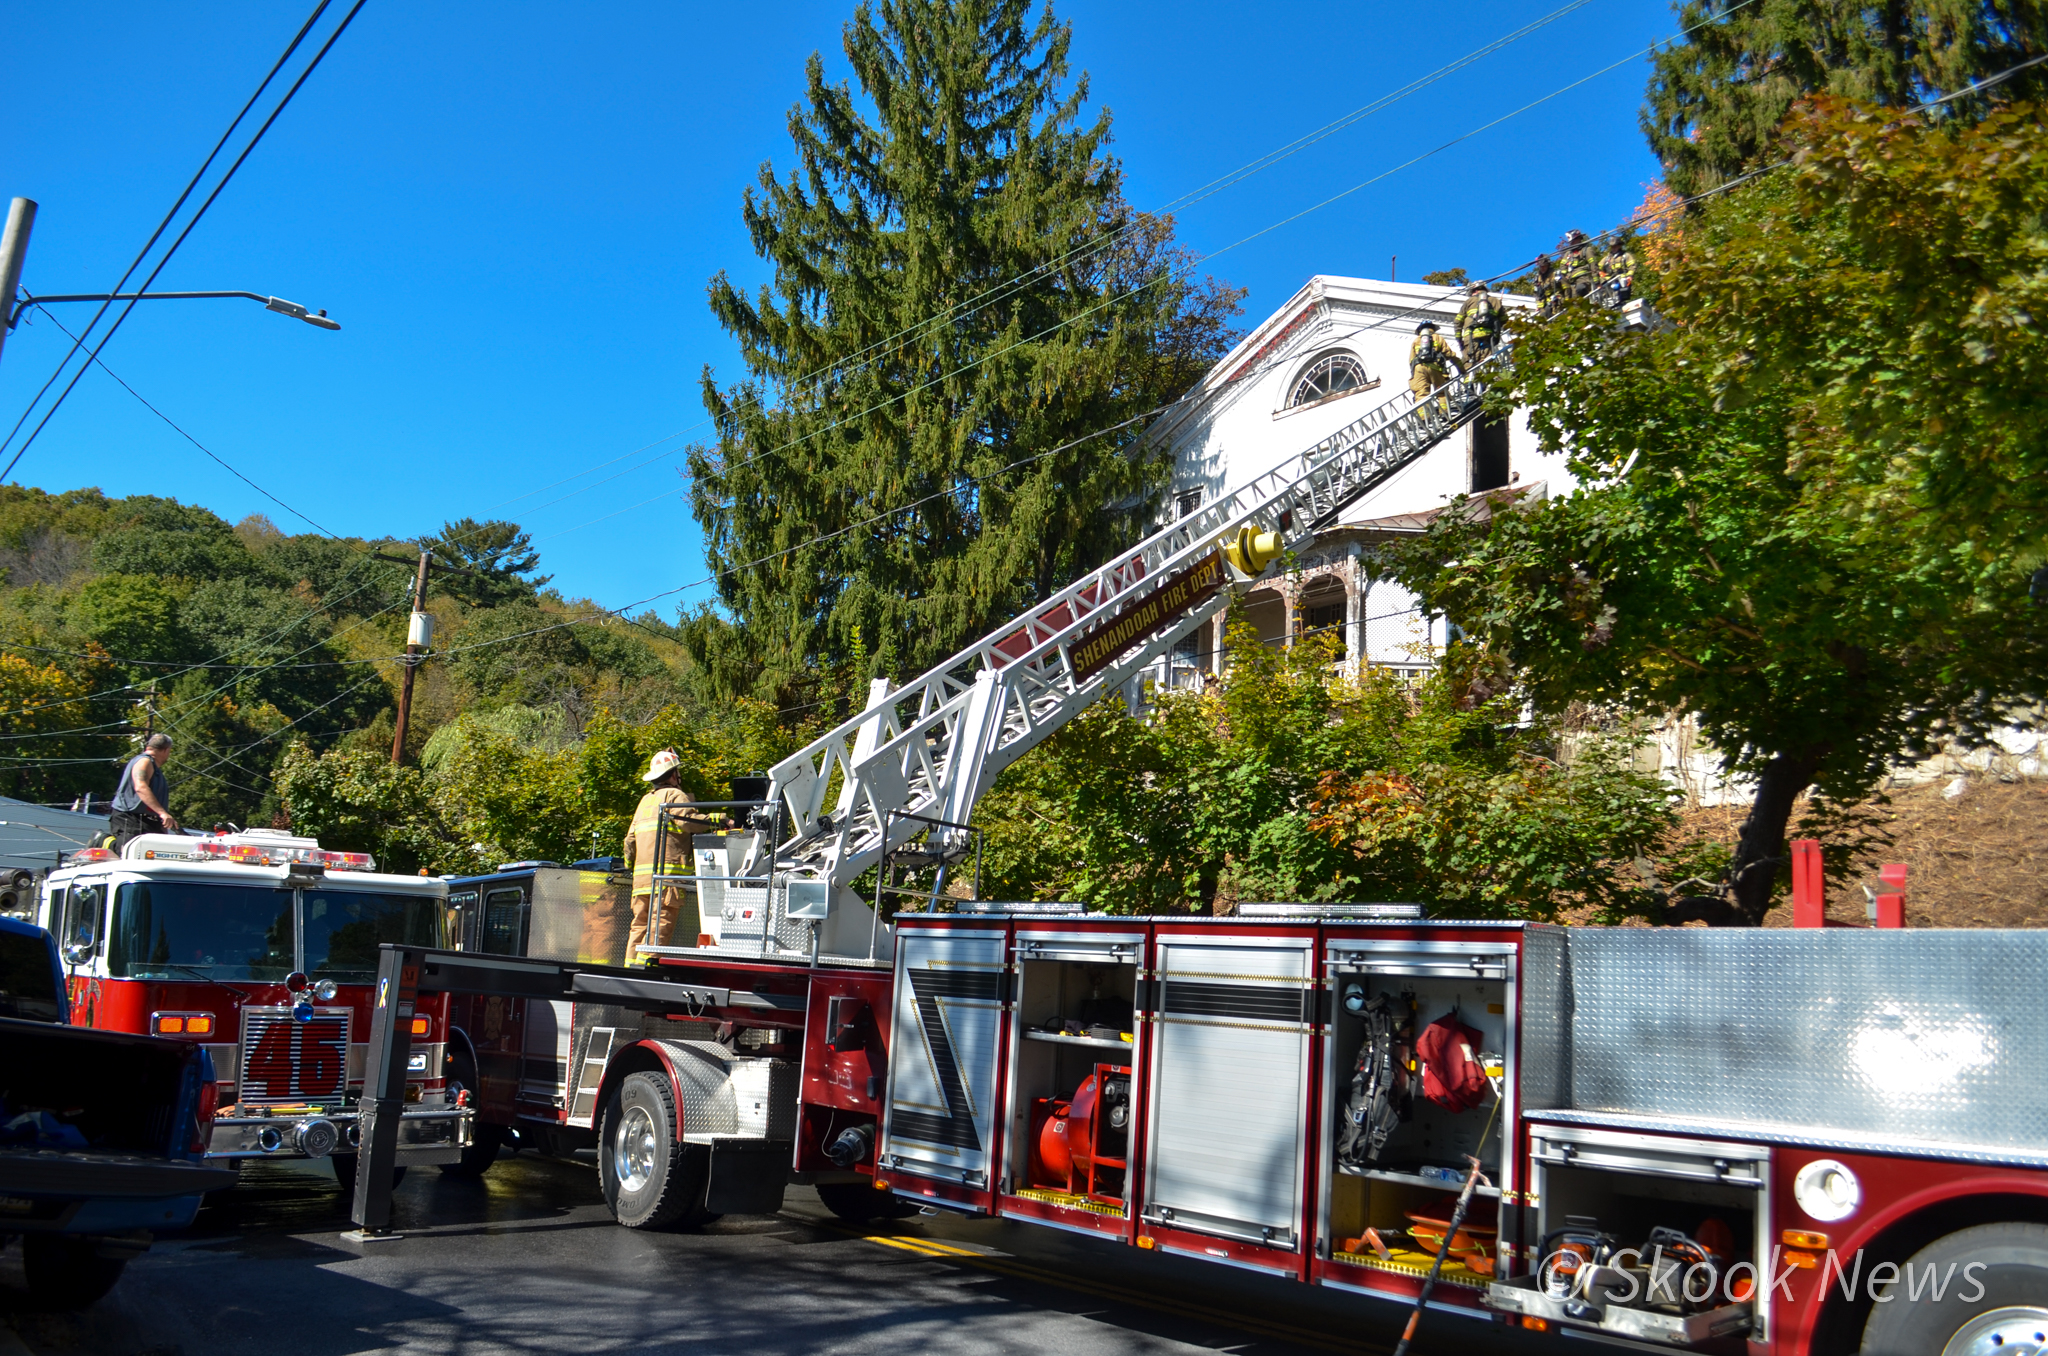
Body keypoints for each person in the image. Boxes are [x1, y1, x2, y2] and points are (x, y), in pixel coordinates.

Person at [622, 749, 714, 957]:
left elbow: (629, 841)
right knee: (659, 926)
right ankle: (646, 970)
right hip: (666, 880)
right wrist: (719, 819)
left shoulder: (645, 801)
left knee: (639, 926)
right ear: (673, 775)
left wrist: (630, 866)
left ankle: (630, 970)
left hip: (641, 881)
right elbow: (688, 822)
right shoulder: (675, 795)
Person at [108, 733, 177, 852]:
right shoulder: (144, 761)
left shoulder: (154, 767)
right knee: (129, 853)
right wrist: (162, 813)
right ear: (166, 750)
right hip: (130, 818)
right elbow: (140, 787)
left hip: (149, 821)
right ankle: (105, 842)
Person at [1409, 320, 1464, 414]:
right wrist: (1462, 370)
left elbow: (1411, 360)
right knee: (1442, 392)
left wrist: (1414, 376)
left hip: (1419, 368)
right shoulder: (1438, 338)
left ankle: (1423, 417)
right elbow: (1449, 354)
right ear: (1433, 328)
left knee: (1421, 394)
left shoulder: (1416, 341)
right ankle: (1444, 413)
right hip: (1435, 368)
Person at [1455, 281, 1508, 363]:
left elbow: (1458, 321)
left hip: (1471, 336)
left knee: (1469, 362)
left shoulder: (1469, 301)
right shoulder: (1496, 301)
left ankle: (1469, 375)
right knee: (1487, 362)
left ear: (1474, 290)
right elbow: (1504, 320)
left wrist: (1458, 338)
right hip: (1489, 337)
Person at [1558, 229, 1596, 303]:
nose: (1571, 244)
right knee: (1573, 300)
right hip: (1572, 282)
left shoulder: (1586, 250)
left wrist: (1596, 281)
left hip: (1584, 279)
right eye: (1570, 242)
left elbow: (1593, 265)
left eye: (1573, 241)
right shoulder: (1568, 254)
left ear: (1578, 239)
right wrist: (1566, 275)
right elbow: (1562, 267)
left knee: (1580, 289)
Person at [1599, 239, 1634, 305]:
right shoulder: (1607, 258)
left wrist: (1629, 276)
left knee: (1621, 297)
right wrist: (1601, 273)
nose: (1613, 248)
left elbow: (1632, 266)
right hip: (1609, 281)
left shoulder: (1626, 256)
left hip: (1621, 280)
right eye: (1612, 246)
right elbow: (1598, 267)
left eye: (1615, 246)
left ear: (1619, 246)